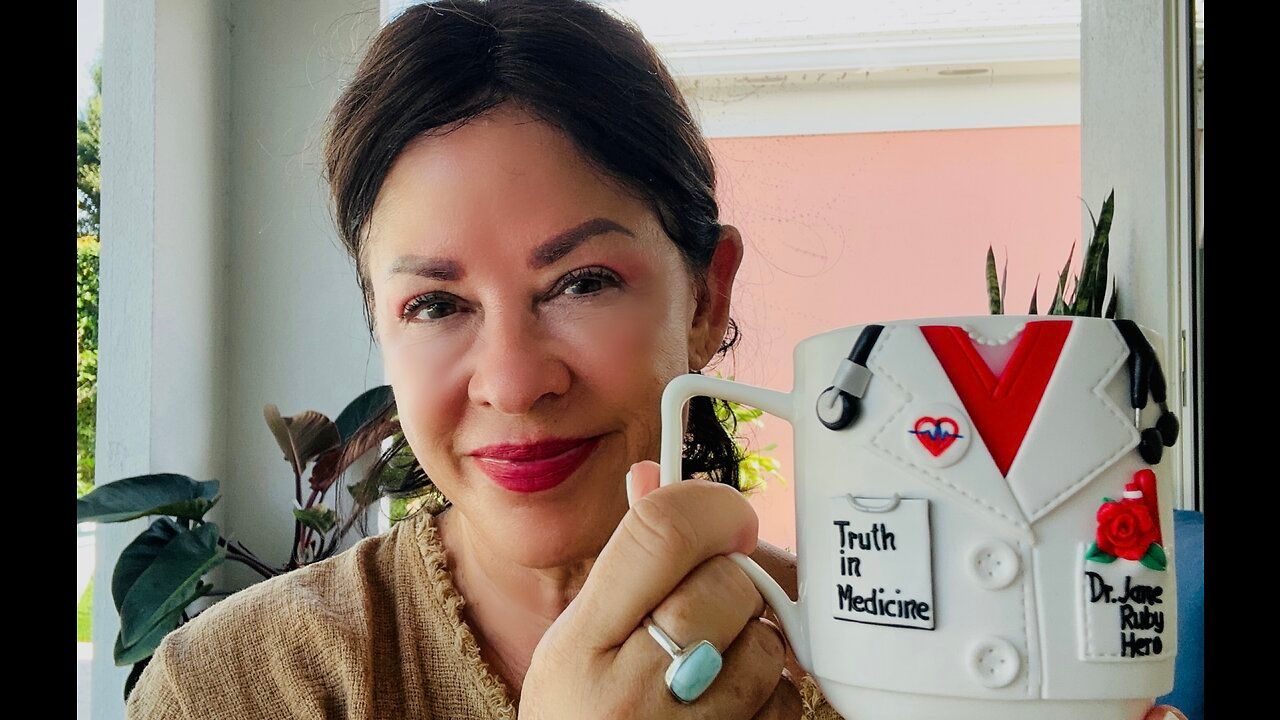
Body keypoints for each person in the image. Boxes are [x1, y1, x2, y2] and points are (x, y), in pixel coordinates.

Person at [125, 1, 1189, 718]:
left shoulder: (891, 674)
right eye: (435, 304)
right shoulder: (234, 686)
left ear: (707, 299)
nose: (513, 380)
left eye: (580, 282)